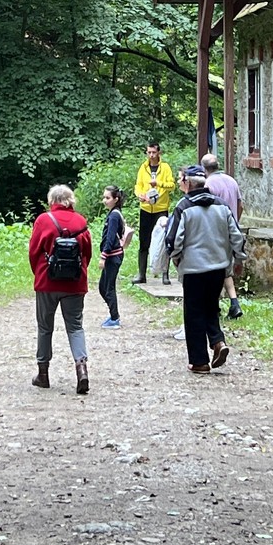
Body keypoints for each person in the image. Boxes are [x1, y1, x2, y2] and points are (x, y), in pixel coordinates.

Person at [166, 164, 244, 374]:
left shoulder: (183, 207)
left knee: (193, 312)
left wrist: (175, 258)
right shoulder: (222, 205)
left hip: (193, 269)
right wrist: (238, 258)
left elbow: (173, 240)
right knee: (211, 306)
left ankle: (199, 361)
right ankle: (218, 342)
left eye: (181, 179)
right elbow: (237, 235)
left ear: (188, 183)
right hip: (218, 268)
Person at [28, 184, 93, 393]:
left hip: (47, 283)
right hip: (75, 283)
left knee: (44, 327)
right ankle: (81, 370)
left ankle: (43, 374)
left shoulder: (43, 220)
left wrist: (39, 273)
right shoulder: (81, 221)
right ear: (70, 200)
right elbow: (87, 253)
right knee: (75, 327)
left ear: (51, 201)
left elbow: (33, 251)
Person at [201, 153, 245, 321]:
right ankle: (233, 303)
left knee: (215, 269)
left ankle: (216, 306)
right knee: (225, 268)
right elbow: (241, 205)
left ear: (204, 168)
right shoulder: (231, 180)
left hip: (217, 231)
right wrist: (235, 222)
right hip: (232, 230)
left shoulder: (208, 184)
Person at [131, 143, 177, 286]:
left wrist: (159, 183)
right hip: (145, 208)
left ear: (159, 153)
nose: (151, 155)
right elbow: (138, 185)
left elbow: (172, 185)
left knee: (164, 241)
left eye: (154, 152)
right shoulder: (143, 168)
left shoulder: (165, 168)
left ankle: (165, 274)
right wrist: (140, 194)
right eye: (149, 152)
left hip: (161, 209)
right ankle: (141, 274)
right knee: (144, 242)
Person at [96, 187, 128, 329]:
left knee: (108, 288)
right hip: (113, 255)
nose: (105, 200)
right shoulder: (114, 213)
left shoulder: (114, 215)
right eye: (104, 197)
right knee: (103, 287)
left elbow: (110, 237)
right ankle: (113, 315)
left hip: (113, 256)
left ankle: (115, 318)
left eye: (108, 198)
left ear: (116, 199)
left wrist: (103, 256)